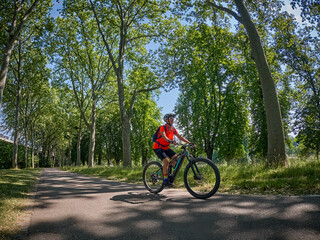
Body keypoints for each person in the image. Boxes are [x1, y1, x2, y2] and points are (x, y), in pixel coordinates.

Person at [153, 113, 192, 187]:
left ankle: (169, 174)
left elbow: (180, 137)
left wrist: (189, 142)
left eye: (173, 118)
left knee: (176, 158)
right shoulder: (163, 127)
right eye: (170, 118)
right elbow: (164, 136)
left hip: (166, 148)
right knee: (166, 161)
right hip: (158, 147)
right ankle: (165, 180)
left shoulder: (173, 129)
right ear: (166, 120)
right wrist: (169, 140)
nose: (172, 119)